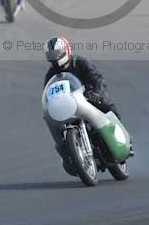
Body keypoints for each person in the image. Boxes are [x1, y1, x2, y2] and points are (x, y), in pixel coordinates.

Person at [44, 36, 131, 175]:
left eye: (56, 54)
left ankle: (122, 136)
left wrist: (94, 91)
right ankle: (74, 154)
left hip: (87, 96)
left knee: (103, 102)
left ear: (66, 51)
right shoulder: (51, 74)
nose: (54, 58)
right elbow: (48, 93)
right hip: (68, 106)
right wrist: (48, 107)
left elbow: (96, 77)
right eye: (51, 55)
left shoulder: (80, 62)